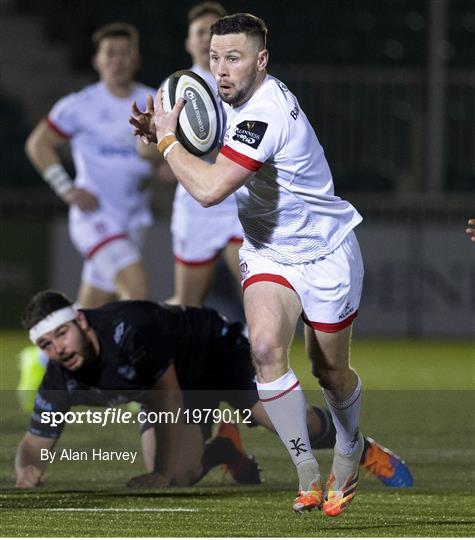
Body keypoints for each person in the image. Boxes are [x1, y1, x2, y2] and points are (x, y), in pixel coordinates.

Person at [130, 13, 369, 516]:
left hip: (326, 253)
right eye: (215, 58)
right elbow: (199, 146)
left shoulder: (267, 112)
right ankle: (305, 471)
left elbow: (210, 189)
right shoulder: (219, 95)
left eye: (233, 59)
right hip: (268, 251)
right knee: (263, 349)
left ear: (261, 60)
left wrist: (170, 141)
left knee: (330, 372)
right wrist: (160, 136)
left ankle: (350, 445)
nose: (220, 70)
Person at [15, 290, 413, 490]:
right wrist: (27, 468)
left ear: (82, 322)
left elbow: (168, 397)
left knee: (297, 427)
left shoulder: (128, 330)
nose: (58, 349)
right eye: (46, 345)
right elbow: (35, 442)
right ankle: (225, 449)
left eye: (61, 335)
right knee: (180, 478)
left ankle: (361, 447)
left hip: (217, 352)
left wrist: (159, 471)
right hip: (177, 389)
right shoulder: (60, 373)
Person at [25, 22, 155, 309]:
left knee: (91, 309)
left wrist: (164, 164)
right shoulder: (79, 105)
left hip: (133, 217)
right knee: (136, 290)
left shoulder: (154, 100)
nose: (118, 60)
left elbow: (159, 152)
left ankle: (48, 355)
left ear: (136, 59)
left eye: (125, 53)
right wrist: (66, 188)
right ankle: (134, 355)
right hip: (95, 216)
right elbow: (38, 144)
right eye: (110, 53)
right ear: (97, 60)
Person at [139, 2, 244, 307]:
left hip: (239, 200)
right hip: (196, 202)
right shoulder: (173, 88)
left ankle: (256, 353)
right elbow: (145, 150)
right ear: (188, 41)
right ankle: (152, 334)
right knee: (188, 304)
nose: (205, 38)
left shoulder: (243, 82)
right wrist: (164, 147)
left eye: (213, 31)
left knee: (257, 295)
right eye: (199, 32)